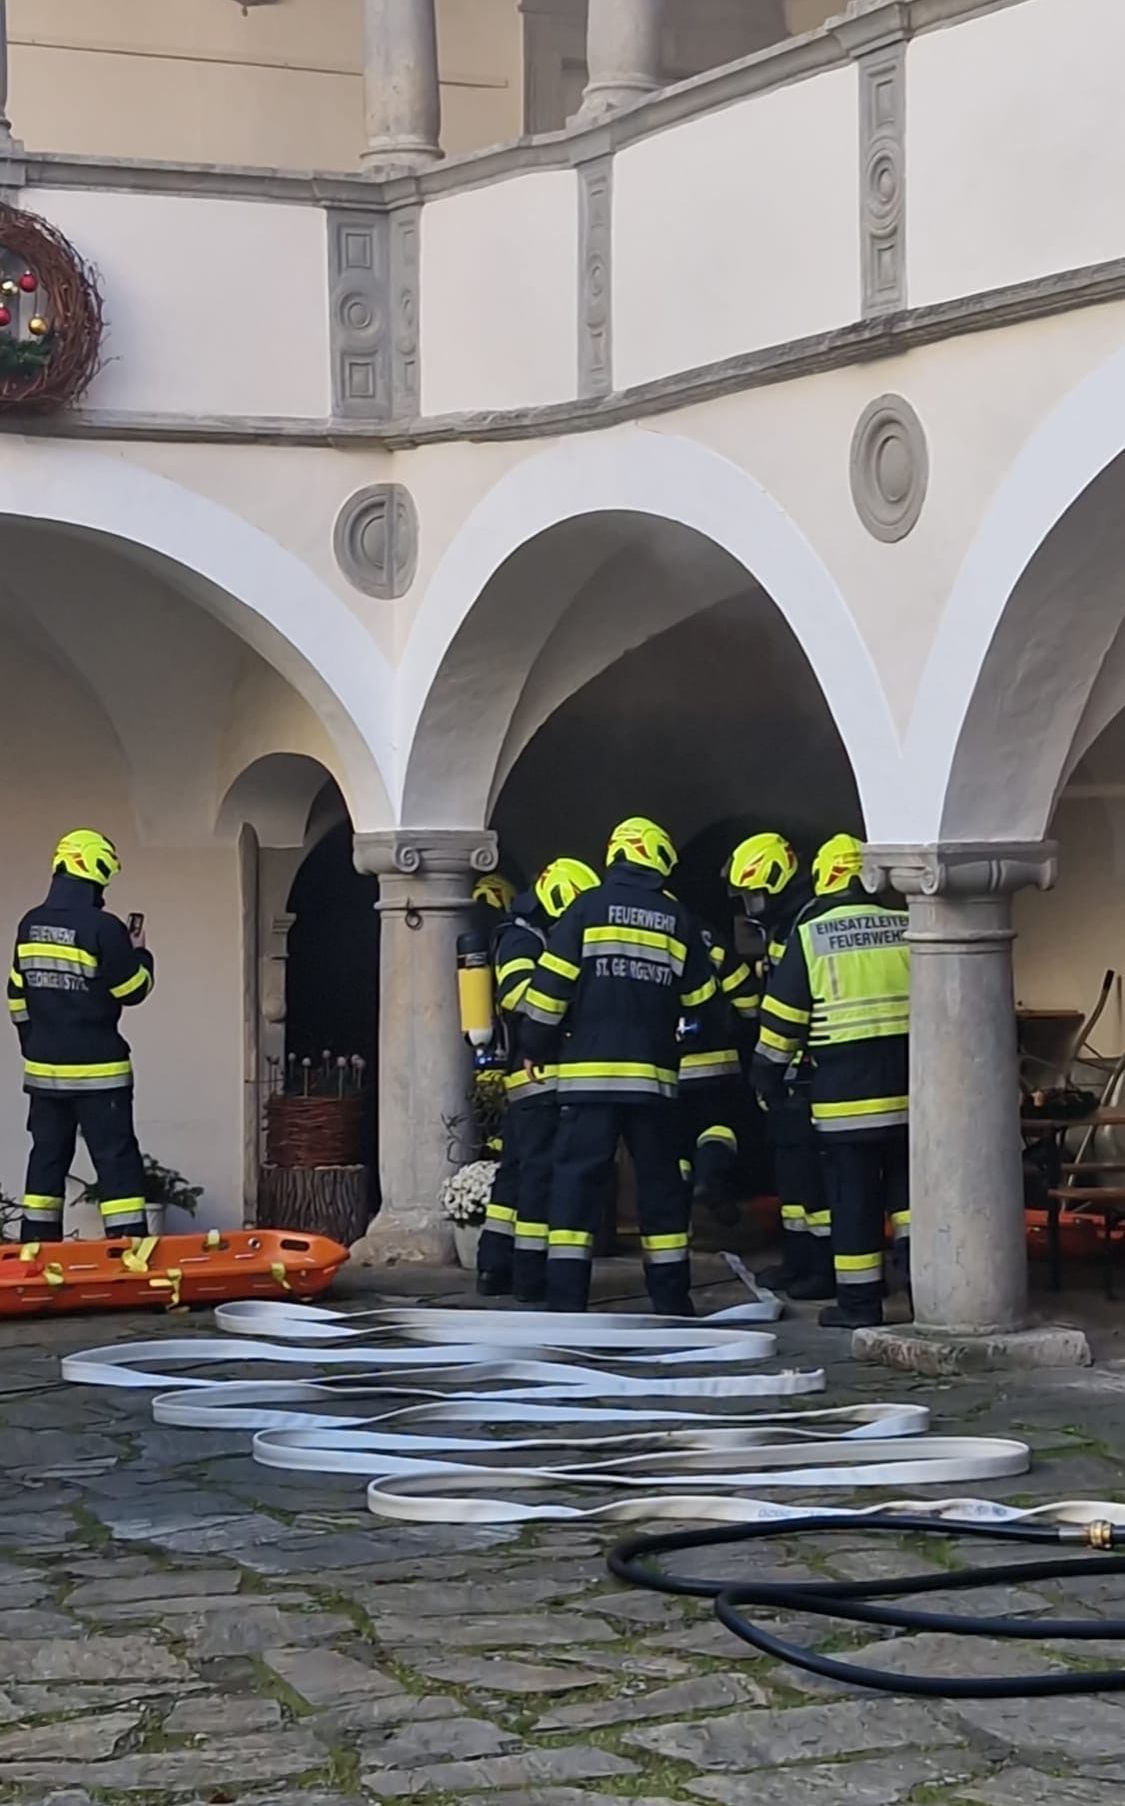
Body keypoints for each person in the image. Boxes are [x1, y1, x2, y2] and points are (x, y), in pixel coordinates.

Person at [520, 816, 719, 1315]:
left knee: (576, 1185)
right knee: (661, 1187)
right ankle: (671, 1299)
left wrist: (535, 1045)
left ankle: (566, 1299)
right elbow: (704, 1003)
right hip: (652, 1081)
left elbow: (548, 992)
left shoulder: (585, 909)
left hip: (586, 1081)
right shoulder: (677, 918)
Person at [751, 833, 910, 1329]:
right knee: (911, 1202)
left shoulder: (812, 935)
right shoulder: (907, 925)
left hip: (845, 1104)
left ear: (824, 877)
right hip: (912, 1096)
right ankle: (928, 1296)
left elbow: (782, 1023)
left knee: (854, 1203)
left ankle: (860, 1307)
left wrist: (766, 1078)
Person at [8, 830, 154, 1242]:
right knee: (115, 1161)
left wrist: (35, 1045)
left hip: (44, 1073)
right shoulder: (104, 928)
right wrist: (140, 953)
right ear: (97, 869)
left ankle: (36, 1249)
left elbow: (16, 996)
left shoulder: (30, 924)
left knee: (47, 1159)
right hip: (100, 1074)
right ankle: (129, 1249)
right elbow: (132, 990)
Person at [476, 856, 600, 1301]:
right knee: (539, 1173)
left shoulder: (530, 934)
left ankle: (494, 1266)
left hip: (533, 1076)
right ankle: (530, 1276)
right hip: (538, 1074)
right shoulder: (521, 938)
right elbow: (518, 996)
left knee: (515, 1174)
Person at [727, 830, 832, 1299]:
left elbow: (790, 1007)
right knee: (792, 1180)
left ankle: (822, 1270)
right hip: (791, 1072)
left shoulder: (804, 925)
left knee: (814, 1184)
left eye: (753, 894)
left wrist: (767, 1068)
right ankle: (799, 1261)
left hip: (807, 1071)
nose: (750, 905)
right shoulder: (785, 926)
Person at [677, 923, 761, 1225]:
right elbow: (747, 998)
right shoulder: (705, 936)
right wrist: (745, 1026)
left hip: (662, 1067)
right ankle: (709, 1179)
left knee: (673, 1142)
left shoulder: (635, 935)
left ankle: (682, 1203)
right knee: (719, 1128)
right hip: (716, 1062)